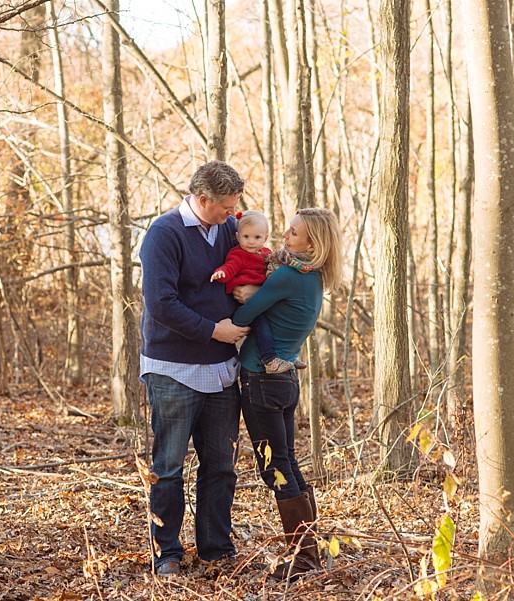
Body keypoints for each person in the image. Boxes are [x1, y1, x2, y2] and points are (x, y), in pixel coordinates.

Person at [139, 160, 251, 578]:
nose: (231, 213)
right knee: (168, 468)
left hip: (221, 369)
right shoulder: (163, 234)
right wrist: (213, 331)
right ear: (203, 199)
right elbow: (161, 303)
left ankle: (216, 549)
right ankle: (166, 552)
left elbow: (251, 260)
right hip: (173, 368)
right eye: (226, 205)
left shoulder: (227, 229)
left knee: (220, 465)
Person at [232, 207, 343, 581]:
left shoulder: (287, 278)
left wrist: (247, 294)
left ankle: (305, 559)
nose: (284, 236)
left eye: (293, 234)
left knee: (276, 468)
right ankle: (308, 553)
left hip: (262, 382)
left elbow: (245, 318)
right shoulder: (310, 278)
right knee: (288, 464)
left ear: (312, 243)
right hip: (282, 382)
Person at [210, 210, 301, 374]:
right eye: (246, 237)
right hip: (246, 302)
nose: (251, 242)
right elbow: (230, 267)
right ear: (238, 237)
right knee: (262, 324)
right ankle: (269, 359)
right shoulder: (238, 254)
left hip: (263, 296)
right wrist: (222, 273)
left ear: (265, 238)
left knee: (279, 318)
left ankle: (287, 355)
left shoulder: (266, 253)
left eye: (257, 237)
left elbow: (275, 266)